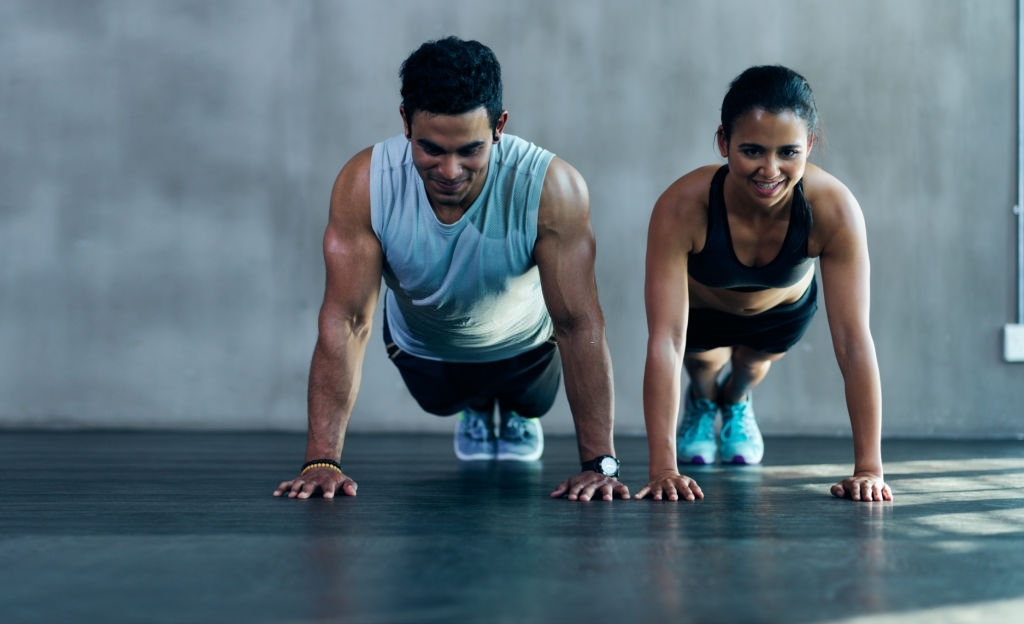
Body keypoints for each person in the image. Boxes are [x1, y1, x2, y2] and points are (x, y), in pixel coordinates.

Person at [274, 36, 628, 502]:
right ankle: (479, 407)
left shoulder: (550, 187)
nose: (450, 169)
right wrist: (322, 461)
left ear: (499, 127)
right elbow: (347, 320)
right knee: (443, 402)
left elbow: (577, 321)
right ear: (406, 122)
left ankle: (511, 413)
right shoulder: (365, 184)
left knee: (530, 401)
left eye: (469, 151)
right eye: (432, 149)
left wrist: (600, 465)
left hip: (526, 350)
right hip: (426, 351)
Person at [636, 65, 892, 503]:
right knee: (700, 367)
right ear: (723, 142)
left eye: (788, 152)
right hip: (703, 314)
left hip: (779, 315)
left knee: (750, 369)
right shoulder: (682, 206)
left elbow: (853, 341)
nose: (769, 170)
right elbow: (665, 340)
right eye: (752, 150)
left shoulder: (835, 209)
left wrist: (869, 469)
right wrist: (663, 469)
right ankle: (702, 403)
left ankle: (735, 404)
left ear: (809, 145)